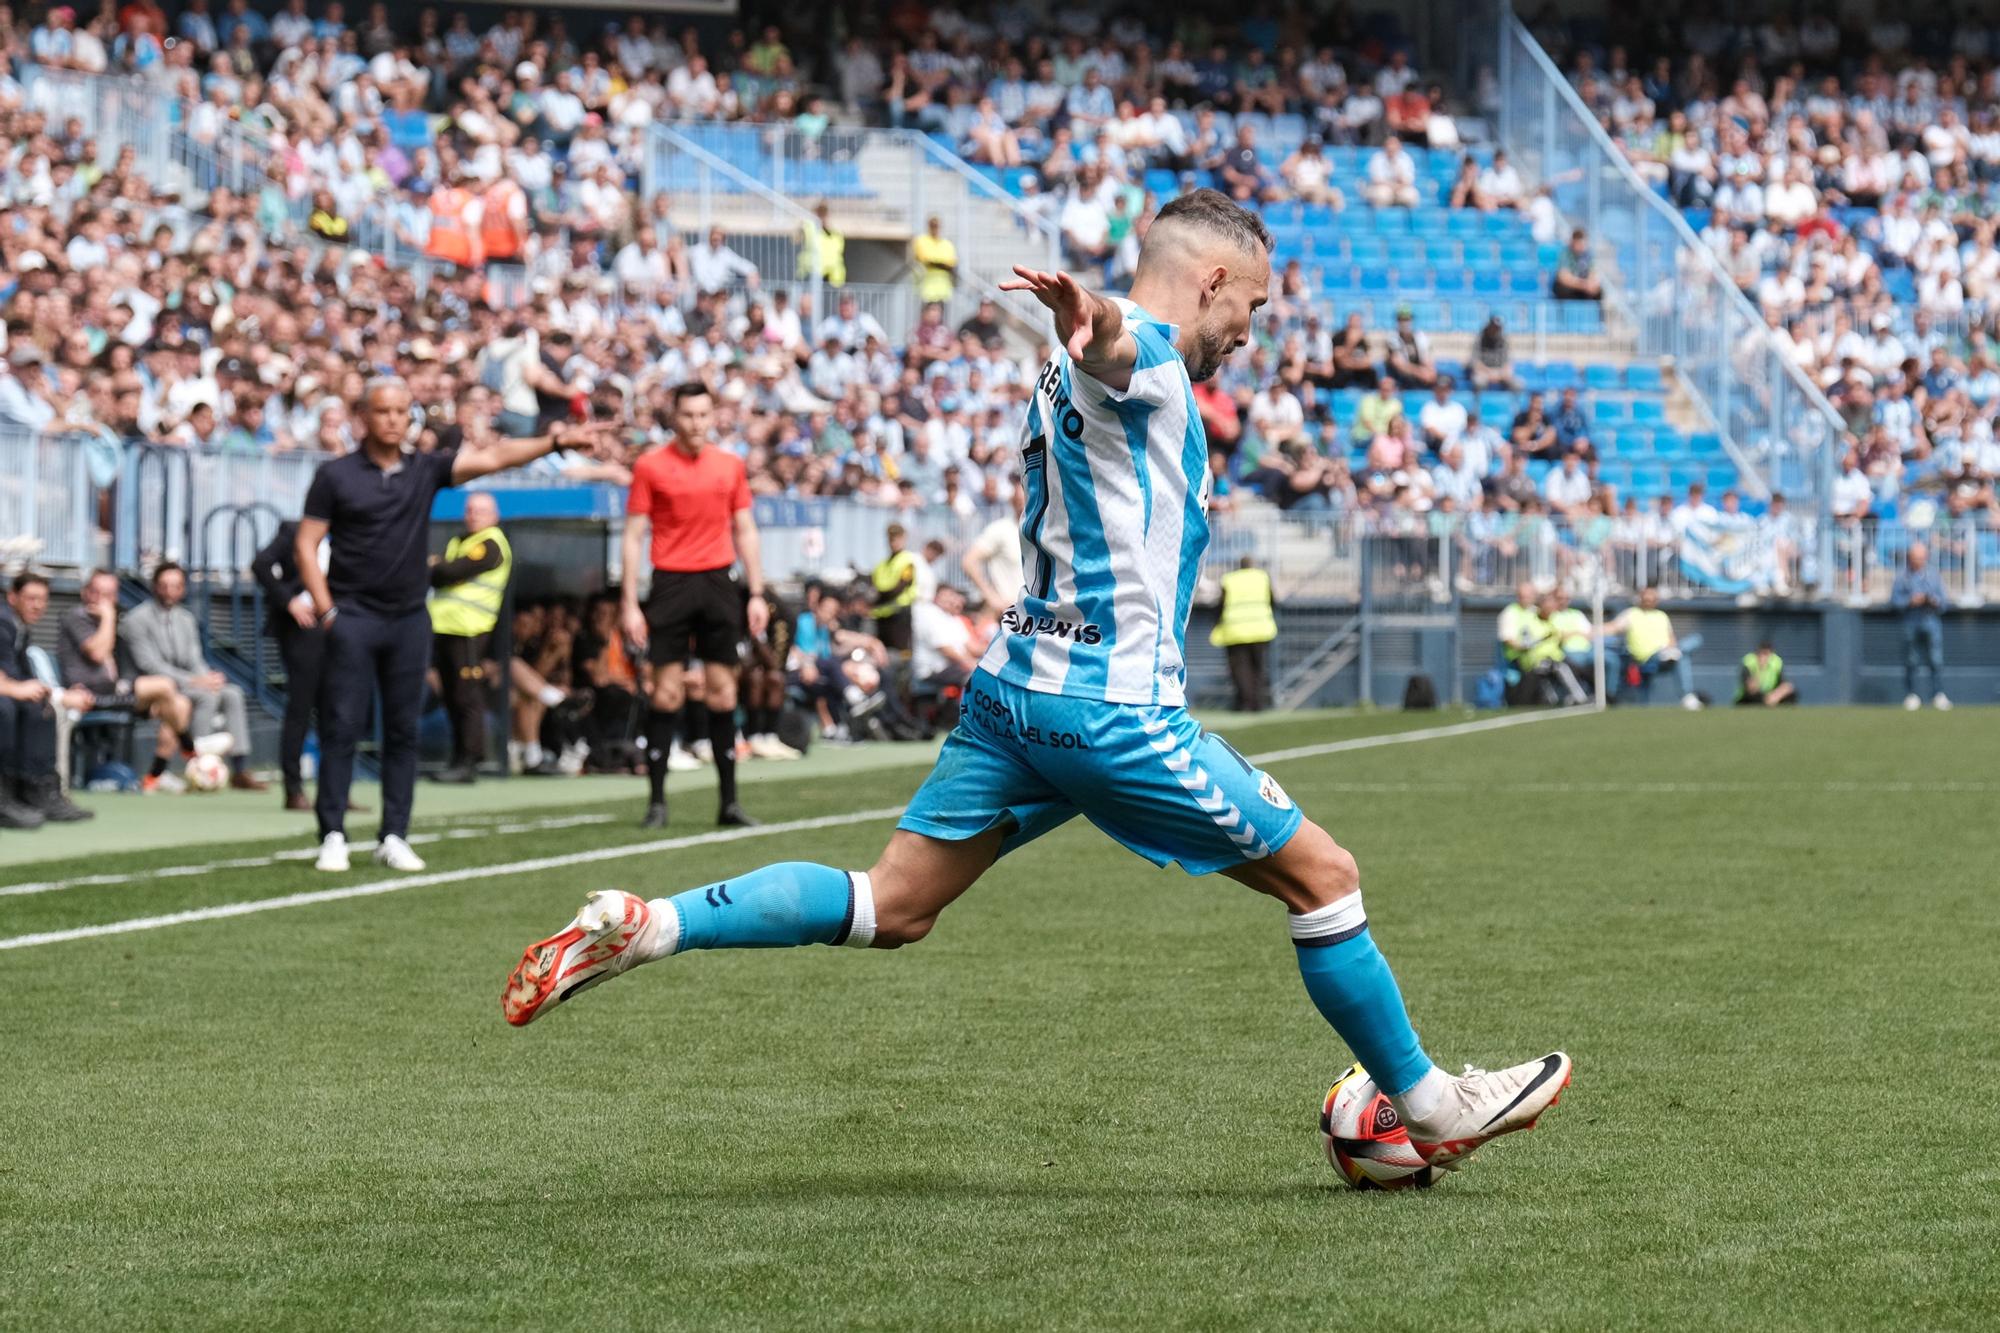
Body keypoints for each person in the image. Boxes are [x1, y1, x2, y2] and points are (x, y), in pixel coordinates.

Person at [503, 190, 1570, 1181]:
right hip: (1107, 710)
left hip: (1013, 692)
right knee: (1322, 878)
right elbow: (1120, 340)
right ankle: (1431, 1105)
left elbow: (1101, 354)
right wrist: (1094, 313)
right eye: (1248, 304)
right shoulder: (1137, 353)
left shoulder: (1060, 375)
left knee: (892, 903)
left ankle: (650, 925)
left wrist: (1090, 326)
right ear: (1206, 282)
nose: (1249, 331)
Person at [296, 379, 613, 874]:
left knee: (403, 732)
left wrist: (556, 442)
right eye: (384, 411)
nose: (394, 419)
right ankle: (333, 833)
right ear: (364, 416)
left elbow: (494, 457)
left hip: (408, 619)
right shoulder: (335, 476)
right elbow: (306, 543)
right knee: (342, 727)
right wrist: (327, 610)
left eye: (402, 411)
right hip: (354, 618)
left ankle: (394, 834)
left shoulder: (425, 469)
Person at [620, 382, 768, 831]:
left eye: (704, 415)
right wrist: (629, 602)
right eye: (688, 415)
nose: (696, 423)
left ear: (713, 416)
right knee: (665, 693)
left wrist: (757, 592)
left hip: (719, 583)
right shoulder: (650, 465)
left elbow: (745, 529)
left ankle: (728, 804)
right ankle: (658, 803)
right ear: (674, 417)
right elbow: (632, 535)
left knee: (723, 691)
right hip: (669, 583)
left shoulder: (730, 465)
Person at [254, 521, 366, 813]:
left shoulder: (352, 530)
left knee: (339, 708)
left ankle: (337, 791)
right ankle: (294, 790)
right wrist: (290, 601)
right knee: (300, 708)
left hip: (339, 627)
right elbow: (261, 565)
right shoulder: (293, 531)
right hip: (302, 628)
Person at [123, 564, 266, 790]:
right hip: (152, 688)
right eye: (164, 586)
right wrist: (194, 682)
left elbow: (194, 659)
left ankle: (239, 770)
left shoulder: (186, 619)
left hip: (186, 684)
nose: (170, 591)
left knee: (232, 694)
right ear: (155, 587)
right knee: (205, 697)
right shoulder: (136, 619)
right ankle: (197, 763)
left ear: (183, 589)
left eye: (176, 586)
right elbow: (149, 665)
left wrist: (208, 679)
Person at [57, 568, 194, 794]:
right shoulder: (76, 616)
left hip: (116, 692)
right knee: (165, 685)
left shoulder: (118, 618)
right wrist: (109, 616)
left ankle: (154, 777)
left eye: (109, 594)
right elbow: (98, 653)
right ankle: (192, 749)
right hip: (88, 693)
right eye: (97, 593)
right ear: (85, 593)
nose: (103, 600)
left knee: (180, 704)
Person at [427, 493, 512, 784]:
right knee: (451, 695)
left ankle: (470, 760)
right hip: (446, 627)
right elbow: (442, 574)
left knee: (467, 695)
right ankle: (458, 757)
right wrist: (440, 569)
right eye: (470, 509)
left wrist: (438, 567)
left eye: (481, 510)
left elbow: (449, 571)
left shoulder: (490, 543)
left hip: (470, 629)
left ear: (494, 515)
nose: (474, 515)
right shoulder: (459, 541)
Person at [0, 573, 94, 825]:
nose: (38, 605)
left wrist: (61, 694)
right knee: (5, 709)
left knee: (40, 708)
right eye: (31, 598)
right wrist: (12, 689)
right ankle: (3, 797)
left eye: (43, 599)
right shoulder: (3, 621)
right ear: (12, 597)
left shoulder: (18, 628)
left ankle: (36, 790)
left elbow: (26, 680)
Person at [1602, 586, 1703, 710]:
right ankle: (1687, 695)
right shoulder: (1631, 614)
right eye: (1646, 598)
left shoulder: (1662, 616)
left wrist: (1671, 647)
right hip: (1647, 659)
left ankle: (1686, 694)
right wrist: (1590, 631)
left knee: (1693, 642)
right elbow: (1613, 627)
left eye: (1652, 598)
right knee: (1681, 655)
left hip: (1667, 655)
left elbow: (1671, 638)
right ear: (1640, 599)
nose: (1649, 601)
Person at [1210, 554, 1277, 712]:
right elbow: (1273, 600)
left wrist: (1216, 622)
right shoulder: (1263, 577)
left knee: (1240, 670)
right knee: (1258, 668)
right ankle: (1257, 703)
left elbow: (1221, 604)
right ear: (1253, 565)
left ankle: (1245, 702)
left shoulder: (1229, 579)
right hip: (1261, 630)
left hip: (1235, 631)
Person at [1890, 541, 1950, 710]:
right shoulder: (1902, 577)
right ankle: (1911, 694)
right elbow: (1894, 602)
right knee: (1911, 660)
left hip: (1931, 622)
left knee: (1936, 660)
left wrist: (1932, 600)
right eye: (1915, 558)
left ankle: (1938, 694)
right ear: (1910, 558)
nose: (1918, 561)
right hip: (1910, 622)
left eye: (1921, 558)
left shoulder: (1933, 576)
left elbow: (1944, 603)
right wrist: (1910, 601)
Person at [961, 487, 1027, 612]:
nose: (1023, 505)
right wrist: (991, 597)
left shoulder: (1043, 533)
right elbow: (969, 561)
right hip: (1010, 614)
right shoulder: (1000, 529)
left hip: (1037, 615)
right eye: (1018, 501)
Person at [870, 523, 919, 651]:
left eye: (897, 538)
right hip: (882, 614)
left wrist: (877, 595)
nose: (894, 542)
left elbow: (901, 586)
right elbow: (872, 581)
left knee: (901, 653)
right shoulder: (882, 564)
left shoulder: (908, 560)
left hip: (899, 613)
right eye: (891, 539)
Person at [1736, 643, 1796, 707]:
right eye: (1761, 654)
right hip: (1748, 697)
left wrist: (1775, 696)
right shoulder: (1749, 661)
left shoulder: (1776, 663)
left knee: (1791, 695)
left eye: (1766, 654)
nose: (1763, 657)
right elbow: (1751, 687)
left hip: (1771, 695)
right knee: (1754, 696)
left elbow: (1785, 685)